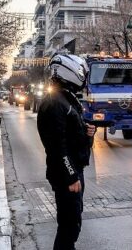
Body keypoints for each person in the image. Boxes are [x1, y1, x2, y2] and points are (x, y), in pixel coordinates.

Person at [37, 54, 95, 250]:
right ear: (69, 72)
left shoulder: (66, 100)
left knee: (72, 223)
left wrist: (88, 133)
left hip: (73, 169)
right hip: (65, 174)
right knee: (69, 225)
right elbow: (57, 146)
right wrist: (71, 176)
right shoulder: (55, 103)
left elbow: (72, 137)